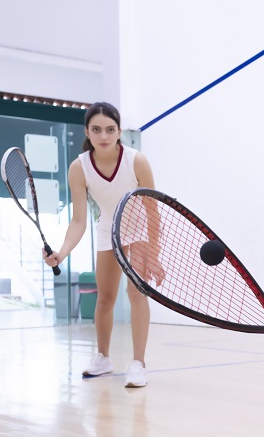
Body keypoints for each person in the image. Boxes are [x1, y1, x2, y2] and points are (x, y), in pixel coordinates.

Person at [44, 102, 157, 388]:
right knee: (105, 298)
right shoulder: (78, 168)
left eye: (110, 129)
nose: (103, 136)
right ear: (87, 132)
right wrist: (62, 252)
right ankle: (103, 359)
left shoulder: (137, 161)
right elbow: (79, 220)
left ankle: (138, 364)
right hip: (108, 228)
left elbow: (153, 211)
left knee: (136, 293)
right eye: (96, 130)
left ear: (119, 131)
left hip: (139, 229)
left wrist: (155, 254)